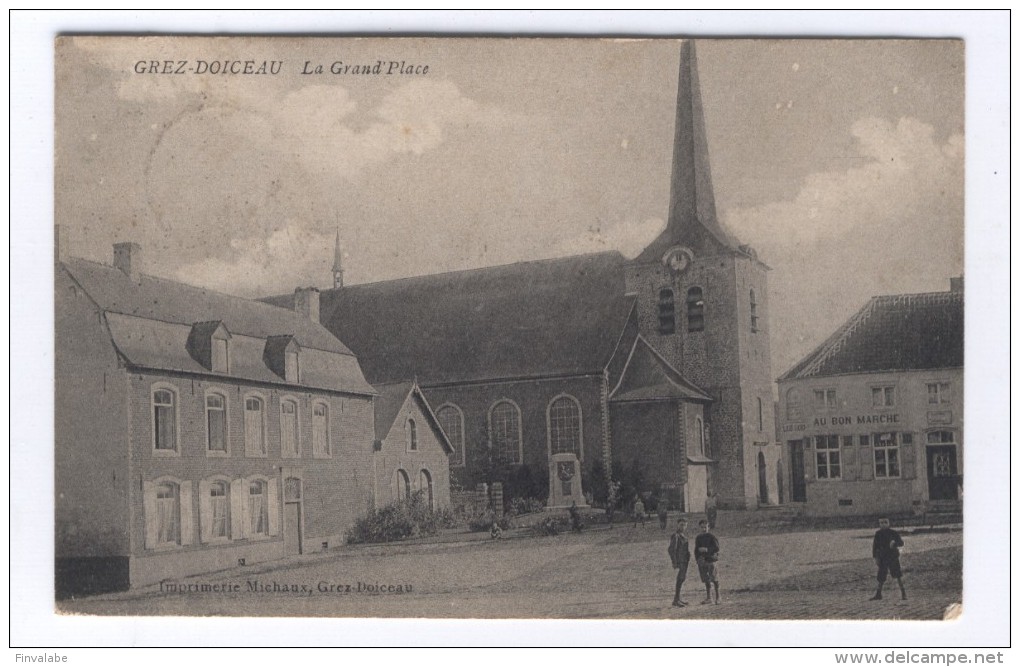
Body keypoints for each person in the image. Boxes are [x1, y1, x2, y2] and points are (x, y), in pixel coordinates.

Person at [870, 517, 906, 601]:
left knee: (898, 575)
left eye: (885, 522)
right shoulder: (878, 534)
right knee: (881, 576)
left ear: (889, 523)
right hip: (883, 557)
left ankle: (903, 593)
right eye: (881, 523)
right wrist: (875, 557)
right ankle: (878, 594)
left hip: (892, 557)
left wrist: (895, 543)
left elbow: (901, 543)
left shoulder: (893, 533)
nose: (883, 524)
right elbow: (875, 547)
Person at [694, 519, 720, 604]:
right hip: (702, 561)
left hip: (711, 560)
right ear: (700, 528)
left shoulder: (712, 537)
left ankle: (718, 597)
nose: (704, 529)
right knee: (706, 579)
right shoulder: (698, 538)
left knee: (714, 578)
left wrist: (707, 549)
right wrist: (697, 559)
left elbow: (717, 548)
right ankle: (709, 598)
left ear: (708, 527)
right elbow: (696, 549)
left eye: (705, 527)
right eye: (702, 527)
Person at [667, 518, 691, 607]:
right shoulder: (676, 536)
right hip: (680, 561)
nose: (683, 527)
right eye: (681, 525)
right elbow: (671, 549)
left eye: (684, 525)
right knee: (680, 579)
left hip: (685, 560)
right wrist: (674, 561)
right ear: (677, 525)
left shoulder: (682, 535)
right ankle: (676, 600)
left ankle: (678, 598)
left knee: (682, 579)